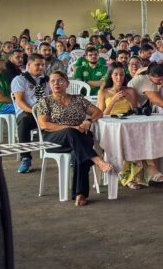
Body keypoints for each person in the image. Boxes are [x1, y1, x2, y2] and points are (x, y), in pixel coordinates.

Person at [36, 71, 113, 206]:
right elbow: (44, 124)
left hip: (79, 137)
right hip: (55, 139)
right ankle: (97, 160)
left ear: (67, 83)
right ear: (49, 84)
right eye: (53, 81)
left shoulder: (78, 99)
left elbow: (98, 112)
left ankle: (80, 194)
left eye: (60, 80)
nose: (56, 83)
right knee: (72, 133)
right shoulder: (45, 101)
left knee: (78, 151)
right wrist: (72, 127)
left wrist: (88, 121)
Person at [12, 54, 49, 172]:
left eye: (43, 65)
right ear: (28, 64)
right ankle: (25, 158)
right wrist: (34, 112)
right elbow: (20, 102)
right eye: (37, 65)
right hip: (27, 112)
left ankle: (71, 152)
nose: (41, 67)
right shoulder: (20, 79)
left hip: (45, 112)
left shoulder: (46, 80)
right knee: (24, 122)